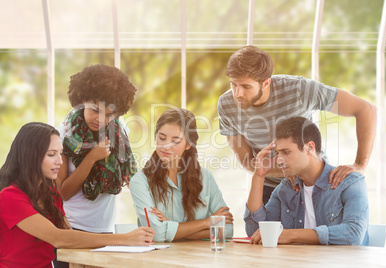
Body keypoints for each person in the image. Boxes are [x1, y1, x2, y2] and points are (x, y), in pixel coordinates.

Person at [218, 45, 376, 203]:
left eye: (246, 87)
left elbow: (365, 110)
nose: (237, 93)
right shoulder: (227, 105)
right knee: (259, 226)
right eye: (233, 84)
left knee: (322, 228)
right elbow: (247, 161)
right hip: (271, 188)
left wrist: (360, 165)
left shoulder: (299, 90)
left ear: (266, 83)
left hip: (314, 181)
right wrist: (286, 171)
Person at [0, 122, 154, 268]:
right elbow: (58, 238)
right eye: (52, 154)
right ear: (30, 156)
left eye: (60, 153)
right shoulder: (9, 197)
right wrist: (125, 239)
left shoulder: (50, 192)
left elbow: (69, 234)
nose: (60, 161)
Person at [244, 117, 369, 245]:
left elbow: (353, 234)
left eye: (286, 152)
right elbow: (256, 232)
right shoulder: (285, 189)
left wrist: (290, 235)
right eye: (277, 153)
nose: (278, 160)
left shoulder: (350, 182)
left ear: (309, 148)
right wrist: (258, 176)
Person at [130, 108, 234, 242]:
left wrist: (173, 228)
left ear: (188, 144)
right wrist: (206, 222)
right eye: (162, 138)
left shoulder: (205, 177)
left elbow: (228, 230)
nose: (166, 146)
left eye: (175, 141)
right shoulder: (140, 181)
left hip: (200, 260)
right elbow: (157, 234)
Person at [56, 64, 137, 234]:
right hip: (71, 228)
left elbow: (130, 176)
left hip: (106, 229)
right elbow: (62, 193)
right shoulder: (64, 133)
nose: (100, 120)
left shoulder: (119, 131)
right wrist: (92, 157)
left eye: (109, 115)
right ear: (83, 100)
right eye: (95, 110)